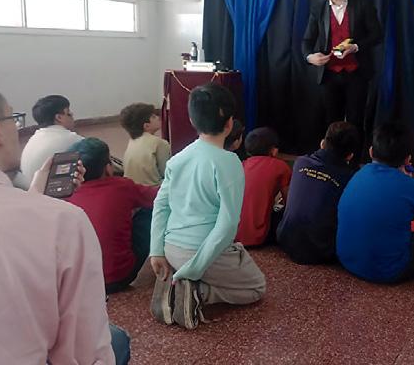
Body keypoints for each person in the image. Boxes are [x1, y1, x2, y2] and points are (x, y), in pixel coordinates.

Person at [0, 72, 129, 364]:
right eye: (12, 120)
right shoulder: (63, 222)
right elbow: (84, 354)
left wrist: (35, 198)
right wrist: (39, 207)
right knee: (116, 340)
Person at [149, 83, 266, 330]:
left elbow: (161, 205)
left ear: (192, 120)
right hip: (199, 253)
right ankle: (197, 292)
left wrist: (156, 250)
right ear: (230, 124)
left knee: (231, 260)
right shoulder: (229, 162)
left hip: (171, 249)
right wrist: (194, 270)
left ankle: (181, 280)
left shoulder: (178, 157)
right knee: (256, 287)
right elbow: (227, 224)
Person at [336, 122, 414, 283]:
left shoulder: (359, 173)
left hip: (347, 260)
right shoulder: (412, 187)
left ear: (371, 151)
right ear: (408, 159)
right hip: (387, 271)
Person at [302, 0, 383, 154]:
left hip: (357, 73)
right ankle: (333, 160)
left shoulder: (363, 3)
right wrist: (310, 57)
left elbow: (377, 35)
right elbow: (307, 40)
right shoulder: (319, 8)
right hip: (329, 75)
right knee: (331, 122)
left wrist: (355, 47)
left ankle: (354, 162)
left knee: (356, 121)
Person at [68, 137, 158, 294]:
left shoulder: (65, 195)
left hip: (81, 283)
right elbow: (158, 198)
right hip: (119, 277)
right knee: (150, 212)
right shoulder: (122, 186)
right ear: (108, 168)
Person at [277, 121, 359, 264]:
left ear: (322, 143)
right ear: (350, 156)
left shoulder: (300, 162)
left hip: (285, 239)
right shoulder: (349, 177)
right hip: (321, 249)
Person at [235, 127, 292, 246]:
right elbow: (290, 203)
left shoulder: (241, 165)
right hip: (259, 237)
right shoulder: (281, 166)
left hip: (233, 235)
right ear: (274, 150)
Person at [17, 94, 82, 188]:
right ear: (59, 118)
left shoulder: (33, 139)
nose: (72, 115)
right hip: (50, 193)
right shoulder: (70, 138)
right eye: (68, 113)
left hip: (29, 190)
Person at [120, 102, 171, 186]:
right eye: (153, 117)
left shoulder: (132, 142)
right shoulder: (160, 143)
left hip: (132, 188)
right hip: (154, 189)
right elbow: (166, 172)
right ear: (146, 126)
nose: (158, 118)